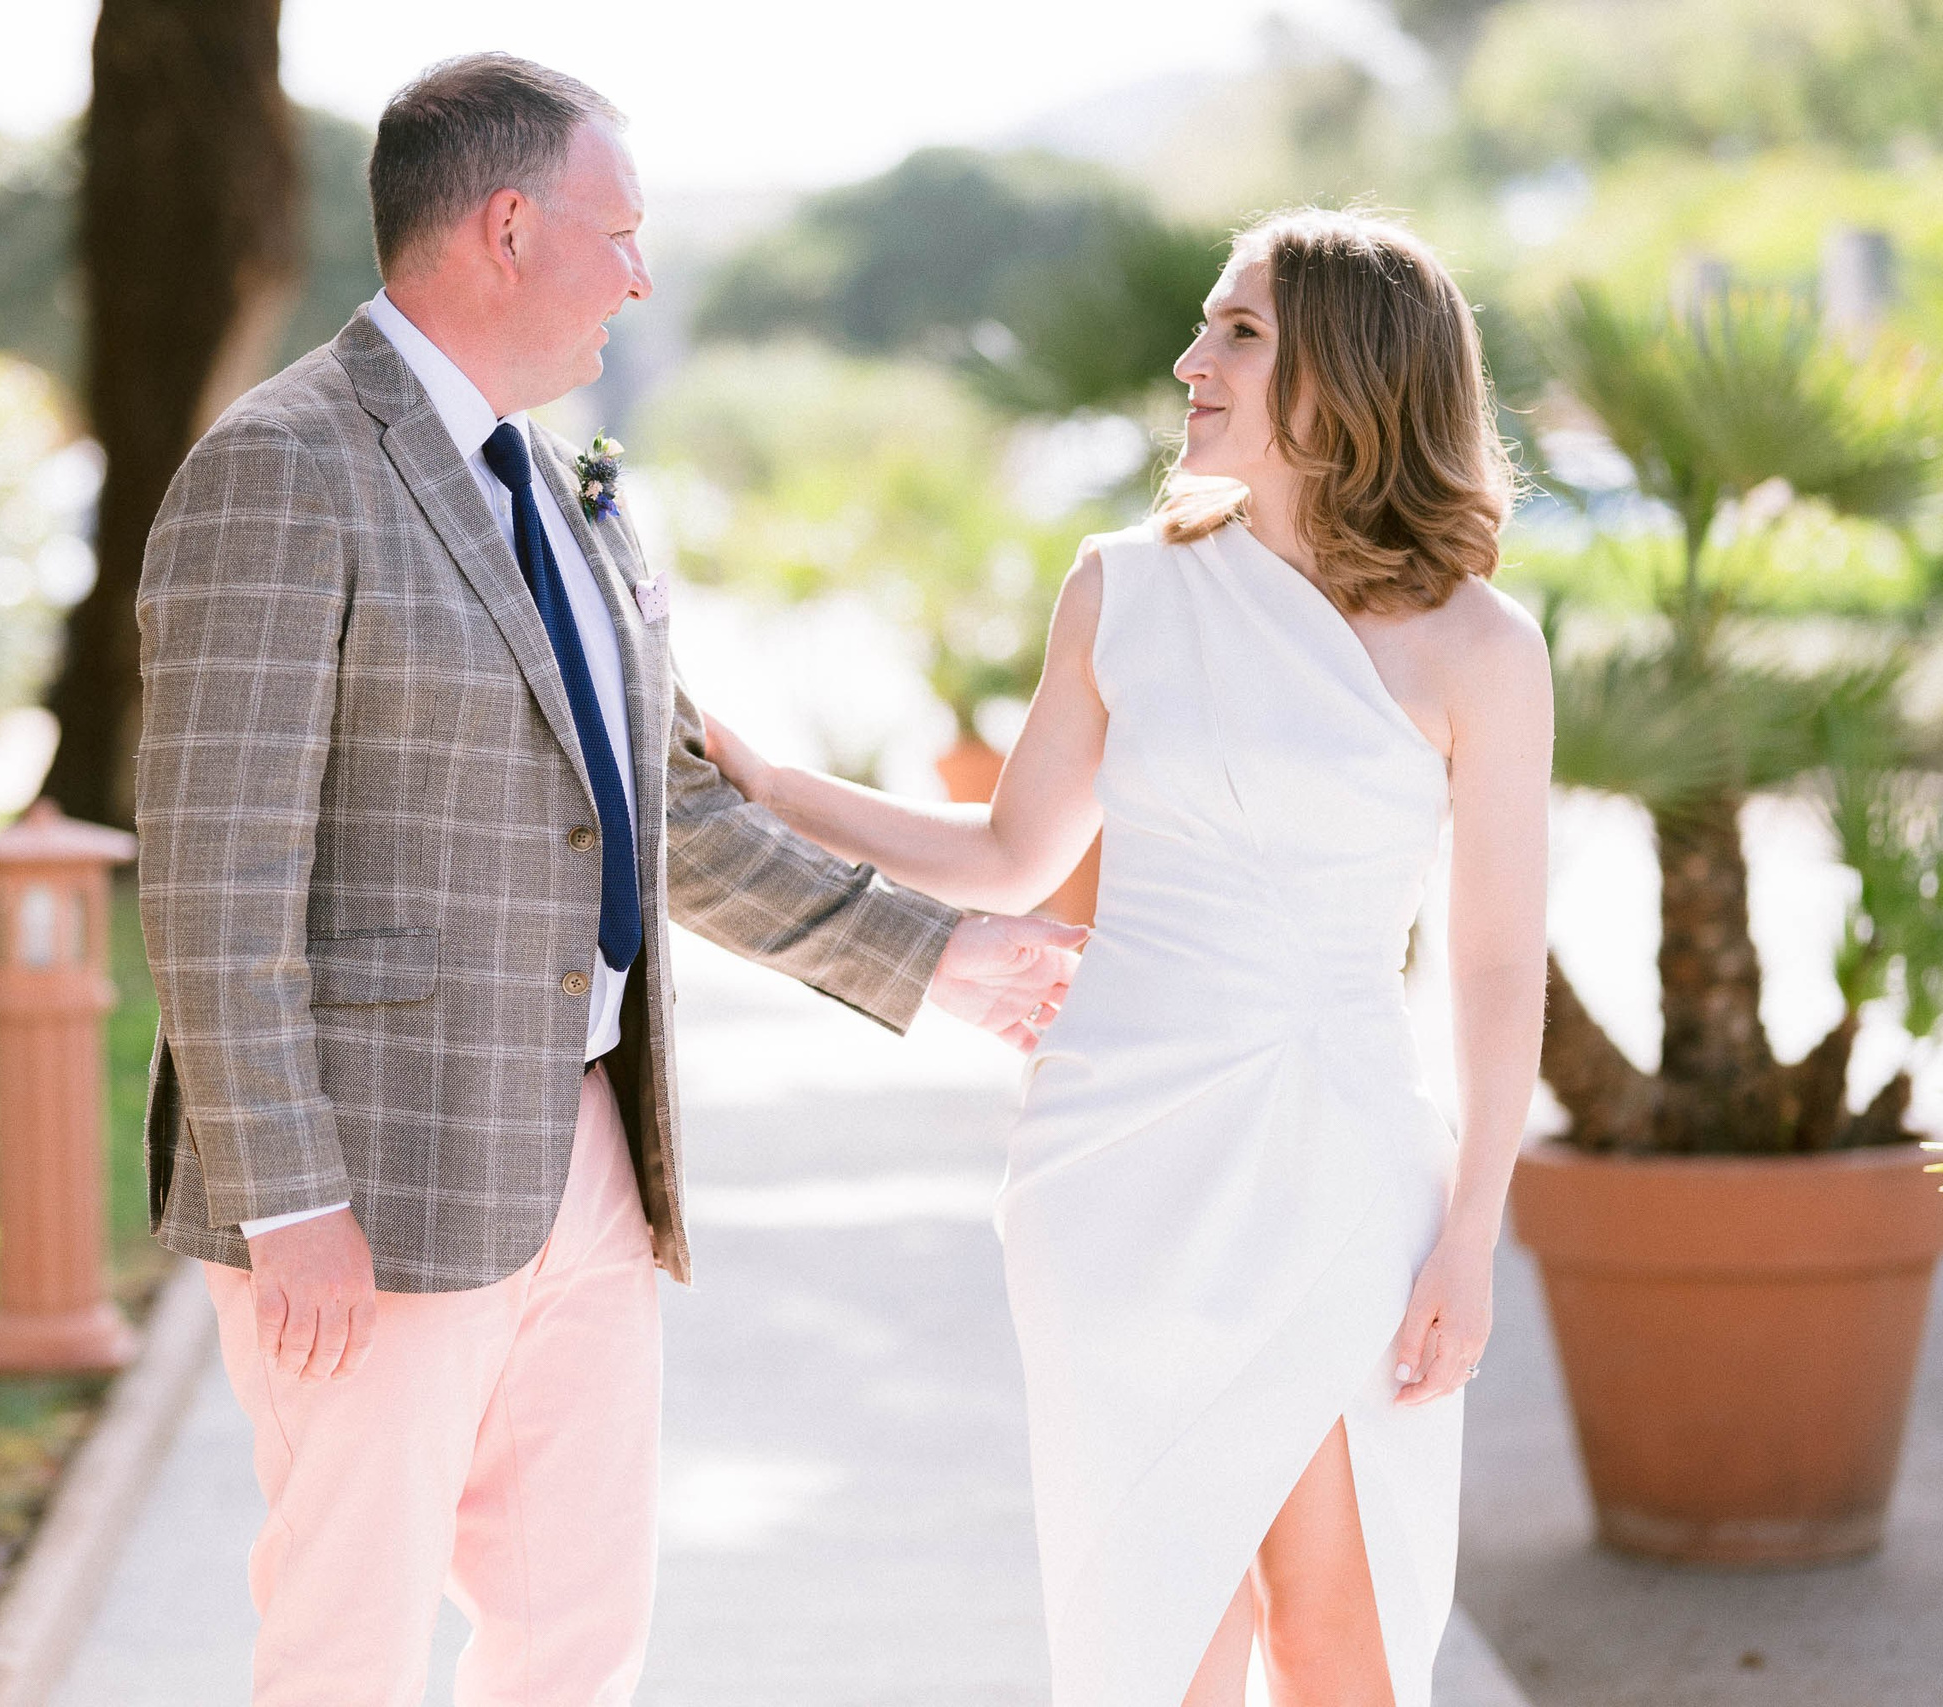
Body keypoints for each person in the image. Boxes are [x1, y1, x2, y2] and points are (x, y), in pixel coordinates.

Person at [132, 52, 1084, 1707]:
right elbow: (218, 876)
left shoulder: (569, 490)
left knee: (576, 1635)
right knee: (350, 1643)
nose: (641, 274)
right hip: (369, 1175)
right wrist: (289, 1203)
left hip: (588, 1146)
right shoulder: (282, 464)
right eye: (621, 231)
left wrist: (935, 958)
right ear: (508, 227)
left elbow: (660, 818)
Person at [703, 208, 1552, 1706]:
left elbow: (1493, 968)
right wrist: (774, 786)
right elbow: (1007, 854)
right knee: (1158, 1638)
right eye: (1207, 325)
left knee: (1340, 1638)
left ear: (1351, 371)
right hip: (1117, 1158)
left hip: (1340, 1162)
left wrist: (1471, 1236)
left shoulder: (1479, 648)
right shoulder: (1123, 585)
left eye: (1239, 332)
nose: (1189, 361)